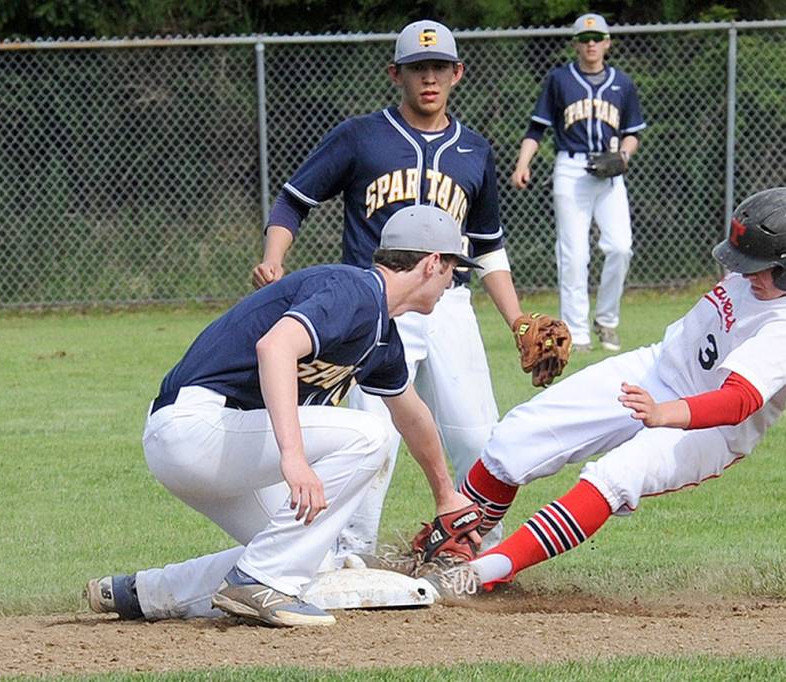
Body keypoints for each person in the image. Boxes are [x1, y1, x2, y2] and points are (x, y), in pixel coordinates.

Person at [413, 188, 786, 600]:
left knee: (613, 477)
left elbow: (739, 400)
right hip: (659, 368)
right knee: (517, 436)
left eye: (757, 269)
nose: (743, 275)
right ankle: (455, 541)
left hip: (713, 424)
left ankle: (478, 576)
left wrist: (665, 414)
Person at [85, 206, 483, 627]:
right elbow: (275, 347)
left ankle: (141, 592)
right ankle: (258, 581)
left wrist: (445, 494)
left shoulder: (383, 334)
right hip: (199, 425)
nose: (452, 281)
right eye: (452, 268)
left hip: (223, 445)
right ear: (432, 263)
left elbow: (413, 415)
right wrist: (293, 457)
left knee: (310, 560)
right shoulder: (353, 290)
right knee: (369, 434)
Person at [251, 20, 534, 559]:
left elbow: (488, 245)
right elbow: (294, 199)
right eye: (416, 68)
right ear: (395, 74)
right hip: (374, 304)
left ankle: (474, 550)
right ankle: (350, 554)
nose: (429, 78)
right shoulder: (361, 137)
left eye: (439, 68)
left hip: (449, 301)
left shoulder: (474, 150)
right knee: (372, 437)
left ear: (457, 73)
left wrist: (517, 320)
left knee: (476, 434)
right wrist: (273, 256)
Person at [511, 13, 646, 352]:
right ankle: (576, 331)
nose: (591, 44)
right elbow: (537, 128)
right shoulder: (560, 80)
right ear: (576, 44)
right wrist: (523, 163)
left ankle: (607, 320)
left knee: (620, 247)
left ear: (607, 42)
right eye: (584, 39)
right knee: (574, 254)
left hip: (610, 171)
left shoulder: (622, 83)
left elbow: (632, 134)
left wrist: (623, 156)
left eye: (597, 38)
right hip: (571, 169)